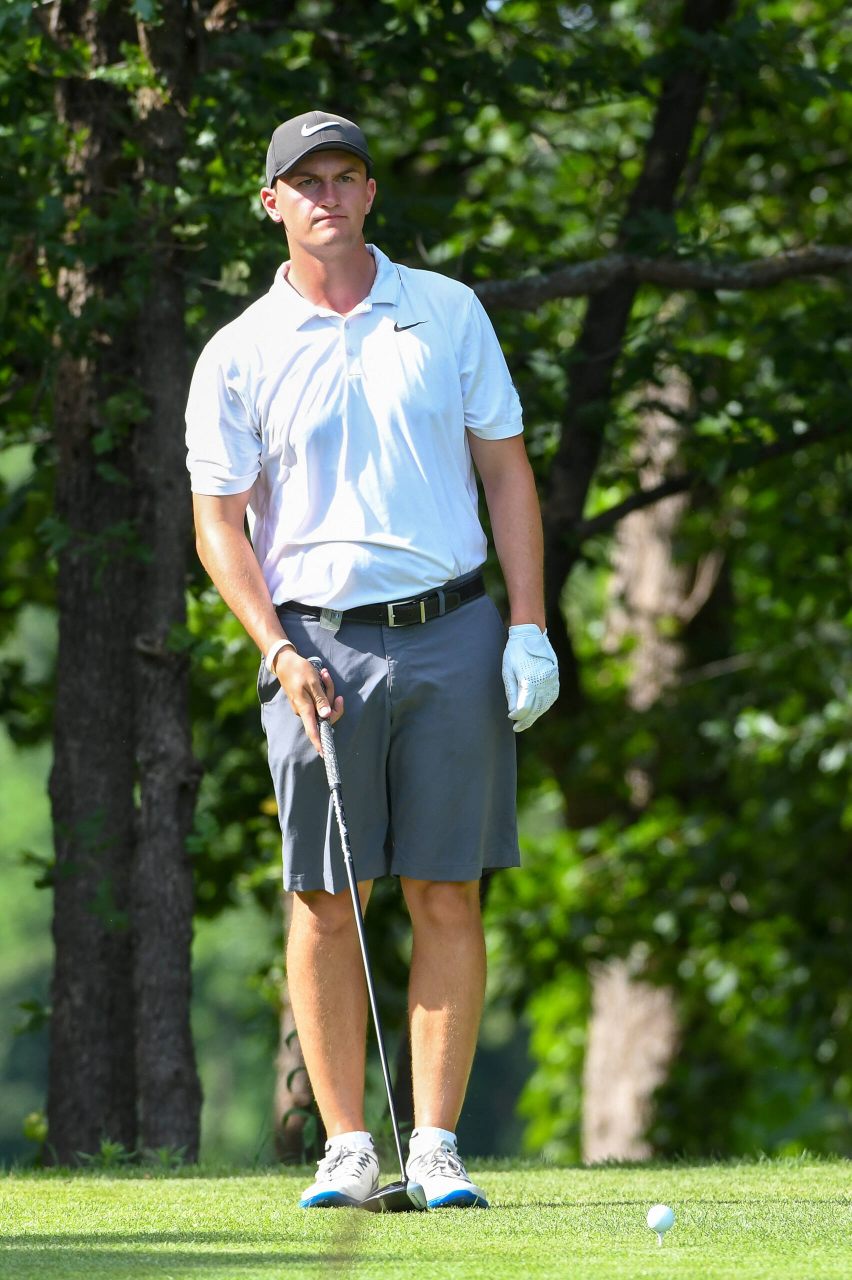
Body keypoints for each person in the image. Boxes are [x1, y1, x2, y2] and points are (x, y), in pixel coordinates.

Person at [186, 110, 559, 1209]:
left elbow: (507, 474)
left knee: (448, 889)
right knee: (325, 893)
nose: (328, 196)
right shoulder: (239, 350)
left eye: (346, 177)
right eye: (306, 182)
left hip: (452, 626)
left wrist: (529, 624)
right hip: (316, 643)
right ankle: (349, 1144)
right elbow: (220, 526)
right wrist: (275, 649)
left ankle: (435, 1143)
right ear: (271, 203)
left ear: (370, 191)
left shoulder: (445, 314)